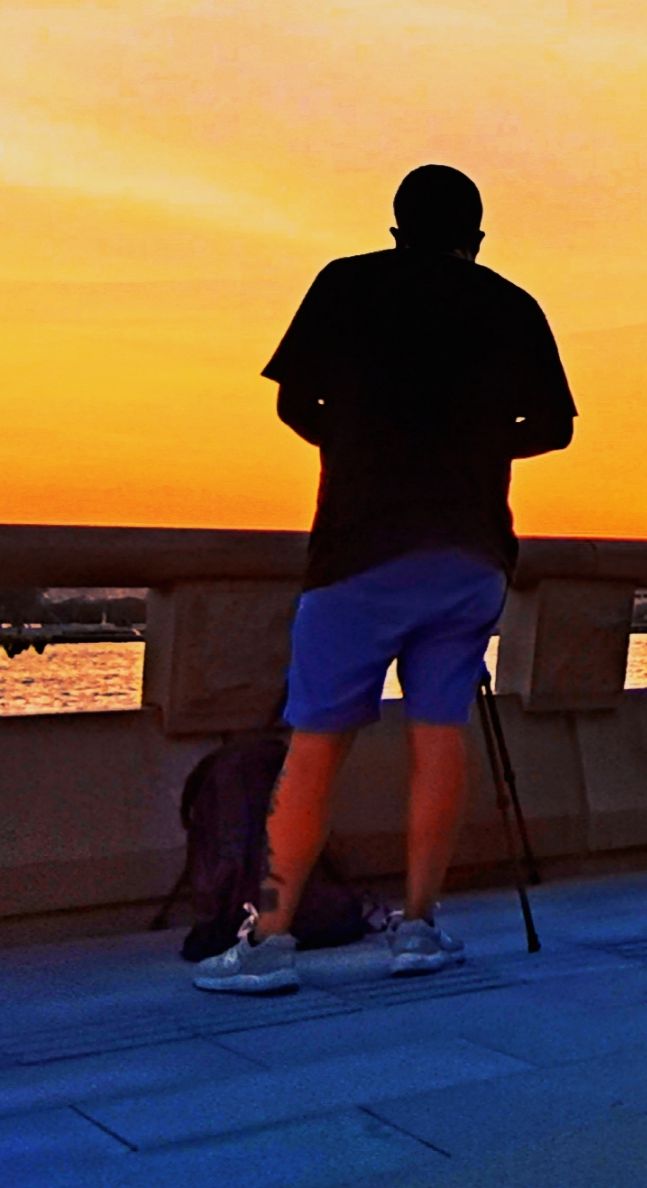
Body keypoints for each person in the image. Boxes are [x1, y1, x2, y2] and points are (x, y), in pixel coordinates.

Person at [196, 165, 575, 994]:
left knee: (316, 743)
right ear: (475, 236)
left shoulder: (346, 284)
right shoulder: (510, 304)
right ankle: (419, 927)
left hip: (357, 550)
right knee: (439, 733)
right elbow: (555, 427)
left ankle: (268, 942)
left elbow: (294, 403)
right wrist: (472, 448)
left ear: (396, 225)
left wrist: (363, 441)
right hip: (470, 550)